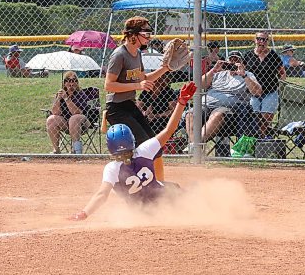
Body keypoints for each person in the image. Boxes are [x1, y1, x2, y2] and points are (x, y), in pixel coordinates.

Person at [68, 82, 196, 221]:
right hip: (165, 201)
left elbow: (102, 195)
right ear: (132, 140)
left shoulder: (112, 168)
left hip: (142, 213)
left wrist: (84, 213)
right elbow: (169, 130)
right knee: (179, 189)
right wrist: (181, 102)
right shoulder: (144, 150)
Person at [104, 16, 175, 182]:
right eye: (146, 32)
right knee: (144, 146)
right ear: (133, 35)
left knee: (155, 145)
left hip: (128, 105)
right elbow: (109, 85)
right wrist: (137, 86)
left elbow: (144, 78)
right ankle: (134, 182)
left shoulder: (136, 54)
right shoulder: (119, 55)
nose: (149, 36)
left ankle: (160, 184)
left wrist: (165, 68)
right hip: (116, 109)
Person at [185, 51, 262, 152]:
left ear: (242, 63)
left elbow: (257, 92)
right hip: (206, 105)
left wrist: (243, 75)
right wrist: (213, 70)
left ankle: (195, 146)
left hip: (229, 110)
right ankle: (195, 147)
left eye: (237, 60)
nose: (233, 63)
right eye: (231, 60)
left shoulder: (247, 75)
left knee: (217, 114)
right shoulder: (218, 73)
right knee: (190, 114)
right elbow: (198, 85)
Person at [243, 32, 285, 138]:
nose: (262, 42)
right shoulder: (248, 55)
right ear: (255, 40)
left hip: (270, 91)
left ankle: (262, 141)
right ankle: (255, 141)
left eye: (265, 40)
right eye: (259, 39)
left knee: (265, 119)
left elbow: (282, 72)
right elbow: (242, 72)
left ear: (268, 42)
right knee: (253, 118)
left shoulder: (273, 55)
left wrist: (281, 86)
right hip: (253, 93)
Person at [46, 71, 92, 154]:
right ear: (64, 83)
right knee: (51, 119)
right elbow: (55, 112)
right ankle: (56, 150)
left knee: (74, 118)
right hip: (66, 124)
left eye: (74, 80)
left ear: (77, 83)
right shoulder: (61, 94)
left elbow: (77, 112)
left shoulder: (81, 94)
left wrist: (67, 99)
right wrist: (58, 99)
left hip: (82, 124)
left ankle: (76, 150)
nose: (71, 83)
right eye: (68, 80)